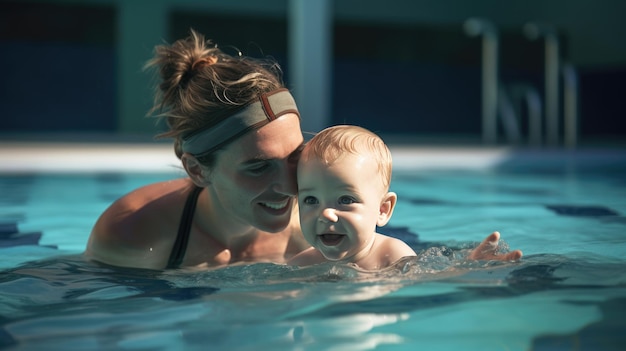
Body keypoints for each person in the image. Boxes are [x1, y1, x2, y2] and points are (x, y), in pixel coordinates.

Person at [84, 29, 521, 271]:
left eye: (295, 160)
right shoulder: (136, 237)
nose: (288, 186)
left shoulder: (317, 221)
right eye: (257, 167)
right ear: (198, 170)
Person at [287, 125, 417, 270]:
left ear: (382, 210)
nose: (326, 214)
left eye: (345, 200)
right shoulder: (302, 264)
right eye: (311, 200)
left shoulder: (394, 257)